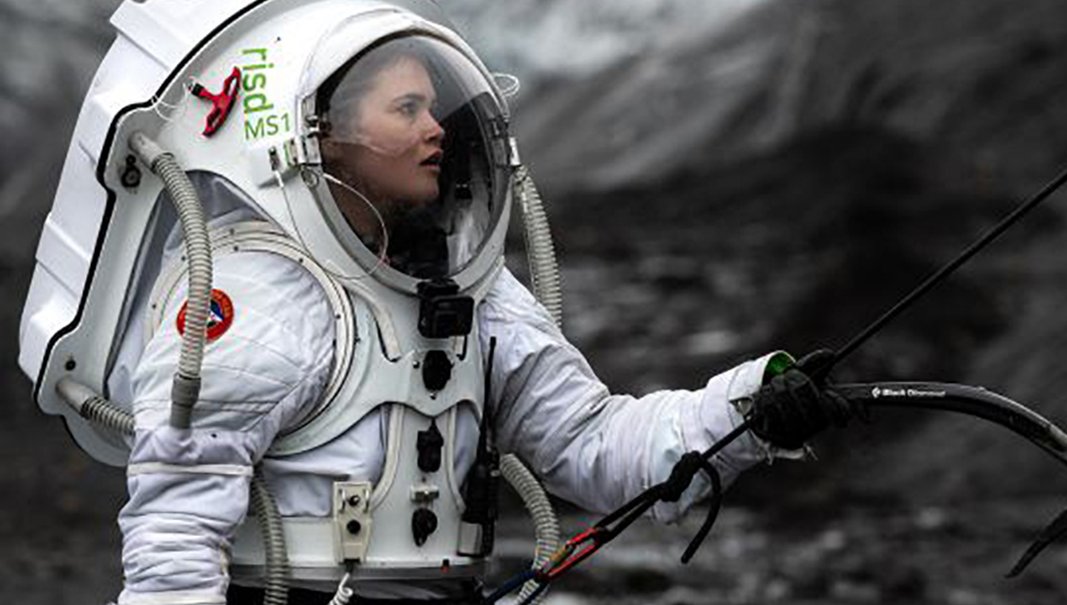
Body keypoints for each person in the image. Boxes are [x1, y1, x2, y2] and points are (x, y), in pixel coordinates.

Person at [32, 5, 855, 605]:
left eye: (437, 108)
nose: (440, 130)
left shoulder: (475, 292)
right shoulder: (254, 294)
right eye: (407, 109)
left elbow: (595, 446)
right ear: (325, 135)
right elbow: (175, 545)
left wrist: (751, 406)